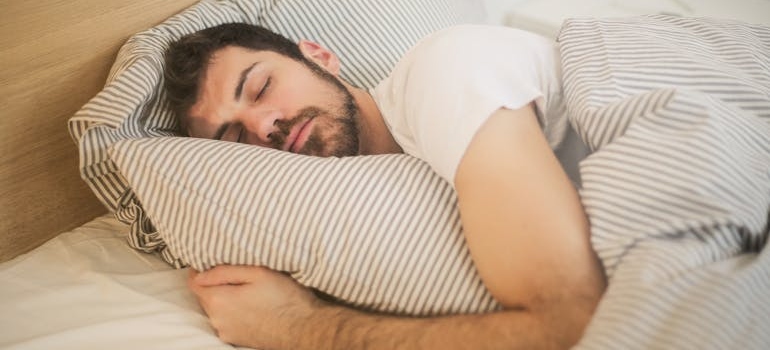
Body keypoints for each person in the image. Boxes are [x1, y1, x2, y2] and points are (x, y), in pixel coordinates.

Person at [164, 22, 607, 350]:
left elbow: (576, 324)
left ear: (319, 57)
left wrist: (295, 327)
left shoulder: (444, 74)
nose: (263, 126)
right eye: (236, 138)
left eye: (261, 87)